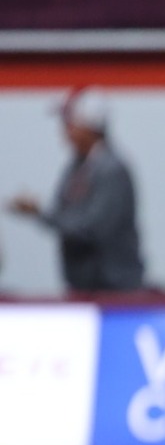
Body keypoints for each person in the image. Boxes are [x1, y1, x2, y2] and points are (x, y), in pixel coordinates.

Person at [7, 87, 145, 293]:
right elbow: (63, 211)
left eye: (69, 123)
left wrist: (41, 213)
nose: (65, 130)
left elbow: (92, 228)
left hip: (113, 288)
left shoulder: (111, 170)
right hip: (83, 285)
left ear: (89, 125)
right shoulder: (76, 167)